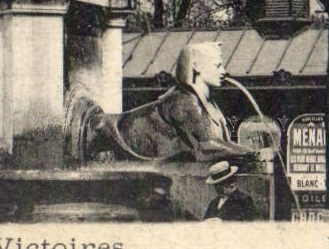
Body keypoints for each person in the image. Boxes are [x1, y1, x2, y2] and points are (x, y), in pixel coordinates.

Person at [104, 39, 257, 164]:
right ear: (196, 67)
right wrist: (250, 153)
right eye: (217, 66)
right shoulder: (183, 101)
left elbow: (219, 142)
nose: (223, 71)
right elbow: (206, 146)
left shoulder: (207, 102)